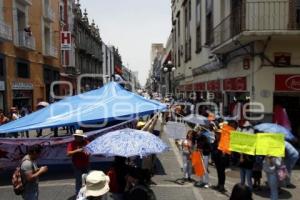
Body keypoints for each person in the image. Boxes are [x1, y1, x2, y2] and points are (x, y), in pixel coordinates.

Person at [67, 130, 90, 195]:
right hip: (77, 165)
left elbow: (90, 151)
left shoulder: (86, 142)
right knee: (78, 181)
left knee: (88, 180)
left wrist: (86, 151)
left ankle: (88, 193)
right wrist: (77, 151)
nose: (77, 138)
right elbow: (68, 154)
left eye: (80, 137)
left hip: (86, 164)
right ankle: (78, 194)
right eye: (76, 137)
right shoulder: (71, 143)